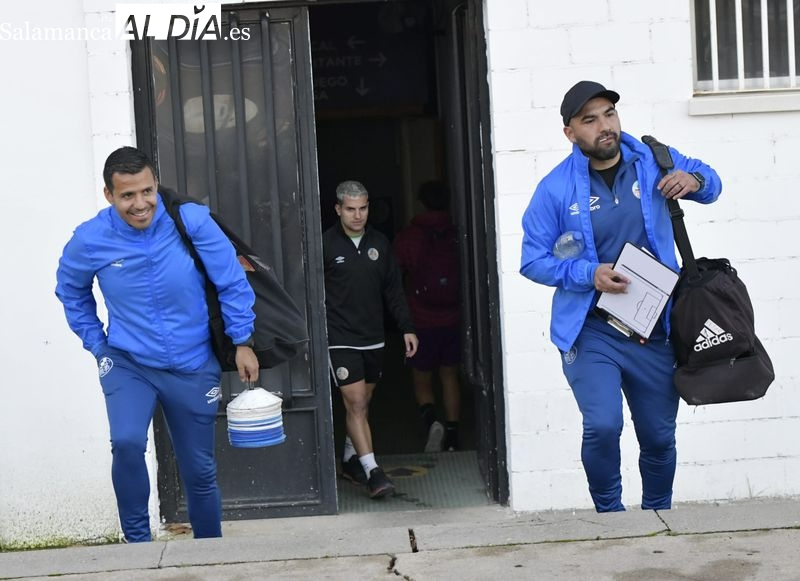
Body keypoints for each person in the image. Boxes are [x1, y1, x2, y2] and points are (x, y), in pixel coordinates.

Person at [519, 81, 722, 512]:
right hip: (592, 330)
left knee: (659, 436)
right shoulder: (554, 190)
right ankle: (609, 517)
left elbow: (712, 183)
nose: (604, 126)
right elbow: (532, 260)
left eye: (608, 113)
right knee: (603, 424)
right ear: (570, 133)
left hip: (654, 327)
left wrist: (694, 179)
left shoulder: (654, 159)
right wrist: (588, 274)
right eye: (589, 120)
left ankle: (658, 515)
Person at [55, 146, 260, 542]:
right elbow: (70, 291)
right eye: (127, 195)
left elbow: (232, 282)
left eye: (147, 191)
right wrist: (98, 345)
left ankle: (210, 552)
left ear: (156, 184)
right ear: (109, 195)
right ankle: (138, 549)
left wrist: (243, 341)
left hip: (193, 362)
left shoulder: (191, 221)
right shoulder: (90, 239)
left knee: (199, 469)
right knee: (127, 442)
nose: (140, 203)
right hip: (129, 363)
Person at [322, 180, 419, 498]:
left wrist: (406, 326)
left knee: (363, 404)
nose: (357, 215)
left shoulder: (380, 242)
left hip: (374, 338)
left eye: (363, 208)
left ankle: (350, 458)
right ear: (338, 209)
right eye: (350, 209)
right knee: (356, 403)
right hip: (340, 338)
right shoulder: (325, 245)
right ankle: (374, 473)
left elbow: (393, 289)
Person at [393, 181, 462, 452]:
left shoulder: (410, 236)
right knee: (449, 375)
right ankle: (454, 438)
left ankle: (432, 420)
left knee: (421, 378)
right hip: (453, 317)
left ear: (421, 201)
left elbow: (394, 272)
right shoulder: (456, 233)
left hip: (421, 318)